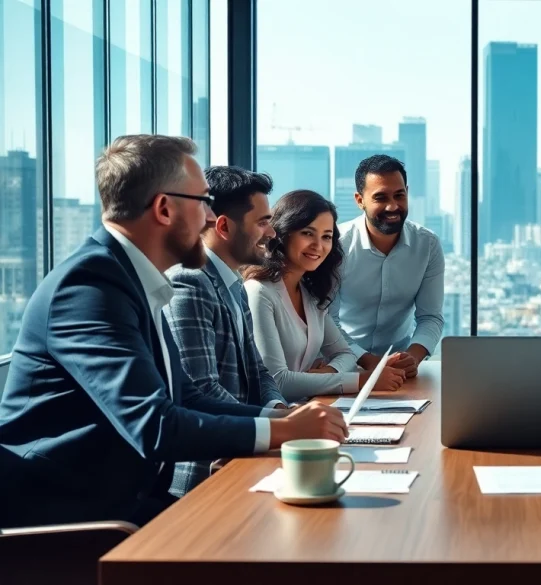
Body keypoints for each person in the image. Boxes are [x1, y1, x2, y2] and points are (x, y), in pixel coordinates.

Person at [0, 135, 346, 529]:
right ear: (164, 208)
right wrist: (282, 429)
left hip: (124, 501)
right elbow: (154, 425)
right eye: (203, 202)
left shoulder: (132, 279)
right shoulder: (89, 287)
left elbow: (188, 396)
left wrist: (284, 419)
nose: (209, 219)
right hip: (64, 519)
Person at [162, 166, 291, 496]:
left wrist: (280, 411)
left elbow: (259, 371)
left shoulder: (234, 285)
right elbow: (201, 390)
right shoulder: (189, 282)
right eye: (262, 222)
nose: (272, 233)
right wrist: (278, 426)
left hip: (241, 460)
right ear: (223, 226)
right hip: (203, 476)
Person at [244, 190, 405, 401]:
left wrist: (327, 373)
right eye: (307, 233)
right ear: (283, 232)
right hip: (275, 416)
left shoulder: (310, 293)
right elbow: (277, 382)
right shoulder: (259, 292)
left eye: (326, 237)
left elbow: (346, 354)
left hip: (310, 407)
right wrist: (362, 380)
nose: (318, 245)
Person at [329, 154, 444, 378]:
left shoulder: (427, 245)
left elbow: (430, 316)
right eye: (380, 197)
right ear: (360, 200)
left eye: (399, 195)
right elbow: (327, 320)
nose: (393, 206)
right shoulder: (336, 245)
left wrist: (412, 357)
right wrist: (370, 363)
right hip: (343, 364)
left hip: (401, 369)